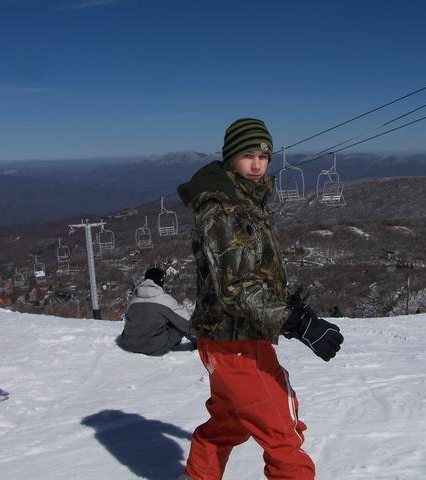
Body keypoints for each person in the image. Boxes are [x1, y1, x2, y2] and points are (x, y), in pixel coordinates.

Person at [176, 118, 344, 480]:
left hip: (232, 337)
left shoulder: (246, 201)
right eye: (247, 155)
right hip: (235, 340)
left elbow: (254, 271)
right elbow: (235, 286)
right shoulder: (222, 209)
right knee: (282, 432)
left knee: (229, 423)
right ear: (230, 157)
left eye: (263, 156)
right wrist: (295, 322)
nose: (257, 165)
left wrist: (289, 304)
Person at [121, 267, 196, 356]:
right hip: (152, 347)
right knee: (178, 322)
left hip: (130, 344)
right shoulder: (164, 300)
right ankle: (200, 343)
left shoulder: (133, 299)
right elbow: (187, 322)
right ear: (160, 280)